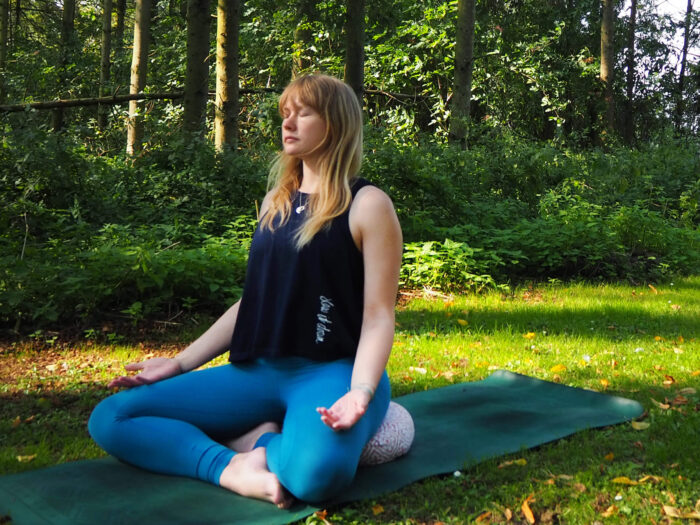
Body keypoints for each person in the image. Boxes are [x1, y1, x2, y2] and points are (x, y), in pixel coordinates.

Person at [88, 74, 403, 508]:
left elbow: (378, 316)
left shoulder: (368, 204)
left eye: (302, 113)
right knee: (113, 416)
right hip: (259, 371)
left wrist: (361, 391)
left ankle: (263, 440)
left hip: (332, 372)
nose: (287, 123)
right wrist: (180, 363)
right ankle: (233, 466)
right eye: (284, 115)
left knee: (316, 479)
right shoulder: (277, 198)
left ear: (335, 122)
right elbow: (254, 301)